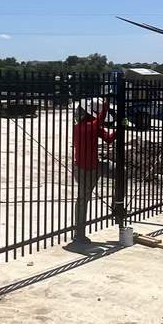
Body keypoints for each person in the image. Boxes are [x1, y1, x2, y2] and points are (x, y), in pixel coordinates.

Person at [71, 99, 117, 243]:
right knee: (83, 199)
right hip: (84, 169)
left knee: (121, 171)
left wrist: (119, 129)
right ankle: (79, 234)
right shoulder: (81, 127)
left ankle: (117, 206)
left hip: (95, 165)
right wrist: (106, 106)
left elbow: (108, 139)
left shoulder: (93, 126)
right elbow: (98, 122)